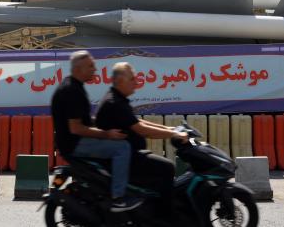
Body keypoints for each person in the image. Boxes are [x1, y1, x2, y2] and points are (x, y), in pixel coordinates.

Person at [51, 50, 143, 212]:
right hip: (74, 144)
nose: (95, 69)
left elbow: (84, 120)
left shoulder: (74, 86)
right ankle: (118, 198)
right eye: (90, 66)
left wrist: (104, 123)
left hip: (72, 141)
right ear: (78, 69)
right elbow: (76, 128)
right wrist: (107, 134)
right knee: (122, 148)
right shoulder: (72, 91)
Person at [95, 62, 188, 217]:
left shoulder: (118, 99)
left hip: (130, 154)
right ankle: (165, 216)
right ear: (119, 81)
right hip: (126, 158)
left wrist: (170, 129)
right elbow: (142, 130)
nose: (136, 83)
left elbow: (138, 122)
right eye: (132, 79)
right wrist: (173, 134)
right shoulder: (115, 102)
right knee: (167, 168)